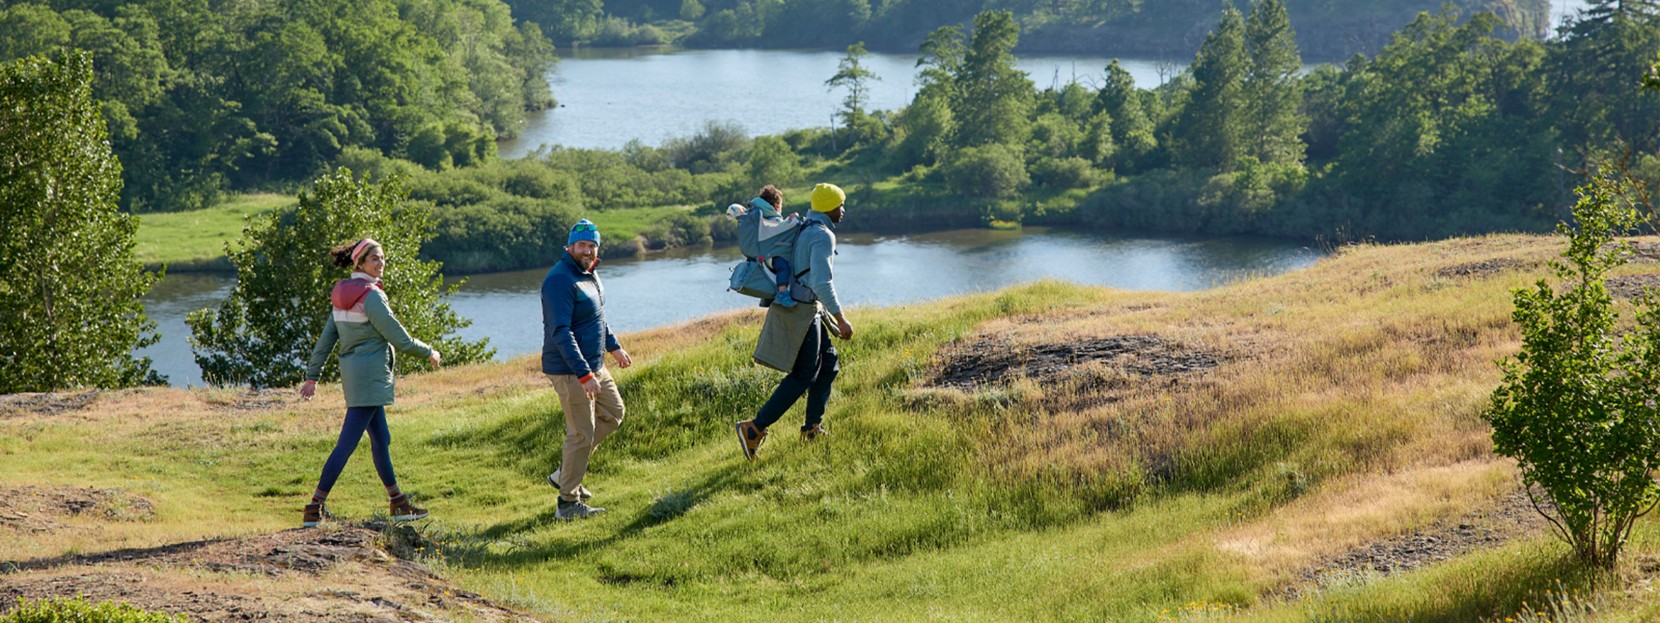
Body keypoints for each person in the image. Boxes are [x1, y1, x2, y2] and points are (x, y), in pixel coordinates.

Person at [300, 237, 442, 528]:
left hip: (357, 377)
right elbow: (399, 338)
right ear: (360, 263)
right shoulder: (371, 297)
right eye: (375, 258)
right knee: (346, 444)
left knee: (381, 440)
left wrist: (312, 376)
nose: (381, 263)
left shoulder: (343, 294)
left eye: (382, 257)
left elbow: (327, 338)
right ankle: (314, 507)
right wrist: (429, 351)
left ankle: (398, 502)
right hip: (370, 379)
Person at [735, 183, 854, 460]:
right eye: (840, 205)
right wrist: (842, 319)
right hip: (801, 312)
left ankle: (812, 428)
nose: (843, 210)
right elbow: (822, 282)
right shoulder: (822, 235)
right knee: (803, 374)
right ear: (829, 207)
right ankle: (754, 428)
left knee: (828, 364)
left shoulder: (803, 226)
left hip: (804, 308)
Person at [542, 219, 632, 520]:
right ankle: (567, 503)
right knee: (582, 432)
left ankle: (565, 472)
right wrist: (583, 375)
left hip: (595, 365)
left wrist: (614, 346)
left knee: (615, 412)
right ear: (570, 246)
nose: (588, 250)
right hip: (570, 370)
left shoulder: (590, 274)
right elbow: (561, 331)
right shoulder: (560, 280)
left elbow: (597, 319)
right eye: (582, 245)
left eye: (592, 245)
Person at [726, 185, 798, 307]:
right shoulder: (772, 219)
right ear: (775, 205)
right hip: (770, 255)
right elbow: (782, 229)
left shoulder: (757, 218)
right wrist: (793, 219)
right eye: (780, 206)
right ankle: (782, 293)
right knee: (784, 267)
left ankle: (767, 299)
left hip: (760, 254)